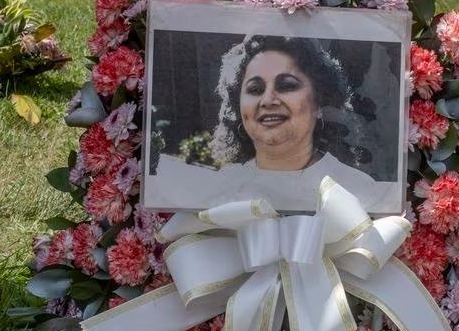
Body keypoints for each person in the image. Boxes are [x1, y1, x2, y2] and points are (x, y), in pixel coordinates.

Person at [151, 35, 388, 212]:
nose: (267, 100)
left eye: (286, 85)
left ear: (319, 102)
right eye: (255, 89)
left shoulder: (356, 189)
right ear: (238, 107)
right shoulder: (220, 188)